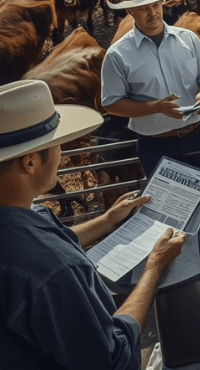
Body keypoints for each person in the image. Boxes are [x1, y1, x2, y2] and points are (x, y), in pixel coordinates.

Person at [0, 79, 185, 369]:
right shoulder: (56, 272)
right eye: (56, 144)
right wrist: (154, 266)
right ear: (31, 162)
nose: (60, 154)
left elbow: (47, 236)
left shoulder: (20, 213)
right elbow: (113, 358)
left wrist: (107, 220)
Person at [101, 0, 200, 177]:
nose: (152, 13)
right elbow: (111, 103)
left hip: (197, 136)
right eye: (143, 8)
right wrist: (154, 107)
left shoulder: (188, 39)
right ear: (130, 11)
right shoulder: (117, 55)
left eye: (156, 5)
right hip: (156, 145)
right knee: (166, 197)